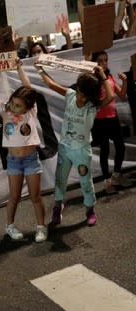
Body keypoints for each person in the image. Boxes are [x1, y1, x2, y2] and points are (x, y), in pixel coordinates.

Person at [36, 63, 113, 226]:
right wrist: (40, 69)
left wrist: (103, 75)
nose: (80, 97)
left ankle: (90, 209)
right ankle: (57, 206)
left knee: (85, 181)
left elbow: (111, 96)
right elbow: (51, 84)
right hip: (64, 148)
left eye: (84, 96)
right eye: (79, 92)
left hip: (82, 151)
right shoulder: (71, 94)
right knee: (60, 179)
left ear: (91, 96)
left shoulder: (93, 106)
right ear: (76, 88)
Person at [0, 59, 47, 242]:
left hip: (31, 159)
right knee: (14, 196)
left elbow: (27, 86)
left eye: (18, 106)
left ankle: (41, 227)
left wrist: (19, 67)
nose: (13, 107)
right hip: (14, 162)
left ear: (29, 107)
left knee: (35, 196)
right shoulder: (5, 111)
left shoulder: (31, 112)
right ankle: (10, 225)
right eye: (13, 103)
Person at [91, 51, 132, 194]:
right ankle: (107, 181)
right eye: (100, 61)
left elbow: (122, 95)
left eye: (105, 60)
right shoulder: (92, 79)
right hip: (100, 120)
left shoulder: (109, 76)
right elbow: (94, 102)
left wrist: (125, 81)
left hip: (113, 118)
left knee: (120, 147)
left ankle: (116, 175)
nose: (103, 63)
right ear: (94, 63)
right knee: (105, 150)